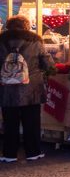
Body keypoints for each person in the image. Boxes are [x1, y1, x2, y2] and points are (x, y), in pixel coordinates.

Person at [0, 16, 54, 162]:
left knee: (10, 122)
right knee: (31, 121)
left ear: (9, 26)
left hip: (7, 88)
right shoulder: (35, 41)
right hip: (31, 88)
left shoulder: (1, 40)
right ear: (26, 26)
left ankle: (9, 154)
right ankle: (33, 152)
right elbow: (48, 63)